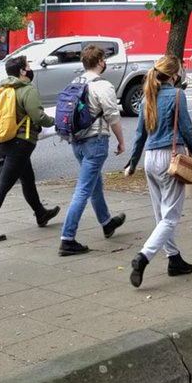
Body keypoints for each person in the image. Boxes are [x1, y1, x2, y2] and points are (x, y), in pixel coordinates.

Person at [124, 54, 192, 286]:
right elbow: (186, 127)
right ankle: (143, 257)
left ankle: (174, 259)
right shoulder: (178, 95)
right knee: (171, 217)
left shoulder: (149, 96)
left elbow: (139, 134)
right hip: (171, 157)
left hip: (150, 158)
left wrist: (132, 162)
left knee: (161, 215)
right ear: (174, 74)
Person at [0, 55, 60, 243]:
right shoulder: (27, 90)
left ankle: (40, 213)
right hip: (20, 143)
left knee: (28, 179)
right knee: (3, 185)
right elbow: (38, 117)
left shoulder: (5, 88)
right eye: (27, 66)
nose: (30, 69)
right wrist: (56, 121)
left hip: (4, 140)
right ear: (22, 71)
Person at [58, 44, 128, 255]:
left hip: (77, 141)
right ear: (99, 62)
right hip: (95, 141)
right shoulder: (102, 86)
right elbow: (113, 116)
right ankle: (67, 238)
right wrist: (121, 141)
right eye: (103, 60)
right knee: (83, 189)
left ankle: (106, 222)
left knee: (94, 182)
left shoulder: (76, 82)